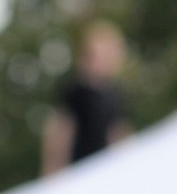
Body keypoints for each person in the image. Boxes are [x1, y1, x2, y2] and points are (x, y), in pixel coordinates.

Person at [42, 21, 131, 176]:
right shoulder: (74, 92)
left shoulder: (117, 94)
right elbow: (60, 134)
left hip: (105, 171)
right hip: (77, 172)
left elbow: (120, 134)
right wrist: (53, 173)